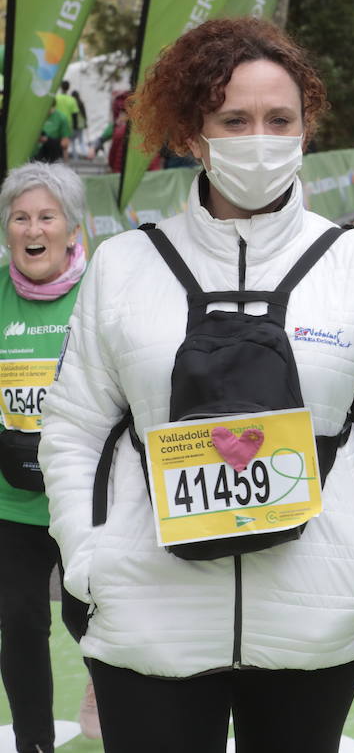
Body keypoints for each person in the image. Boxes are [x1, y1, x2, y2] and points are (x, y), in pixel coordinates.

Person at [39, 16, 354, 752]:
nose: (260, 137)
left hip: (318, 621)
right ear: (193, 135)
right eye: (235, 119)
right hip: (146, 616)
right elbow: (74, 429)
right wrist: (91, 560)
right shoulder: (124, 266)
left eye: (278, 118)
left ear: (305, 128)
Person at [0, 163, 100, 752]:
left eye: (46, 216)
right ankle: (34, 742)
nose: (33, 229)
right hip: (11, 499)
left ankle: (103, 683)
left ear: (71, 227)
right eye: (20, 218)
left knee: (87, 618)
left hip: (84, 494)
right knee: (19, 621)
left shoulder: (101, 292)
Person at [36, 99, 72, 164]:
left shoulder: (61, 117)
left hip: (52, 156)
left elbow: (65, 143)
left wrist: (47, 140)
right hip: (35, 155)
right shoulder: (36, 115)